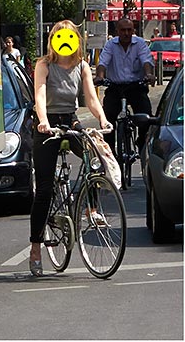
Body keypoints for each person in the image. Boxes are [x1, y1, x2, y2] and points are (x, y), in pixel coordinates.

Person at [29, 20, 111, 277]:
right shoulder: (44, 65)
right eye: (59, 36)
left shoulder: (82, 65)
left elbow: (91, 98)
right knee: (43, 189)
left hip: (69, 118)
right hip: (47, 123)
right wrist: (42, 121)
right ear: (53, 39)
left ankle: (92, 208)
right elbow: (40, 96)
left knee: (94, 158)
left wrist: (102, 119)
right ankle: (35, 247)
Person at [94, 17, 155, 149]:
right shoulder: (111, 45)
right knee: (107, 119)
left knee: (146, 117)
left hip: (136, 86)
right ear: (117, 31)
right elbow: (103, 63)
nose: (126, 33)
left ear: (133, 30)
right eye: (123, 30)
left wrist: (148, 75)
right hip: (115, 88)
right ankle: (110, 152)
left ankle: (141, 141)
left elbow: (146, 61)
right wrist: (99, 77)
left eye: (129, 30)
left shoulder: (140, 44)